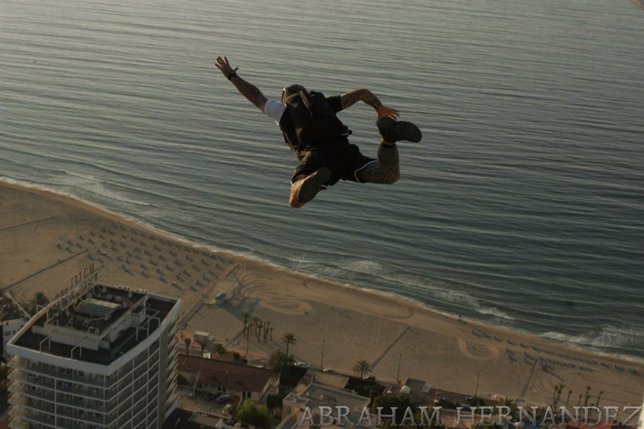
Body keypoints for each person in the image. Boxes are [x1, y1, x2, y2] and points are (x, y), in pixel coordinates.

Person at [215, 56, 422, 208]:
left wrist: (231, 75)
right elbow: (361, 93)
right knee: (389, 175)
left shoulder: (283, 112)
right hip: (345, 151)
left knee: (295, 201)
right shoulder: (324, 104)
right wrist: (380, 109)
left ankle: (309, 180)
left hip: (316, 158)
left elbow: (255, 96)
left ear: (284, 99)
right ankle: (388, 139)